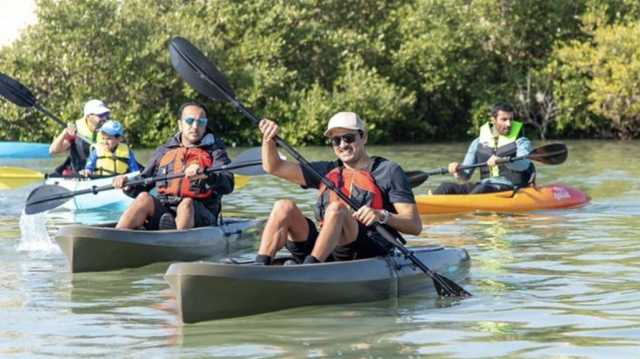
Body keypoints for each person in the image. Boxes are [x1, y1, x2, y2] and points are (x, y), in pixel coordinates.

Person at [254, 112, 422, 265]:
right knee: (283, 206)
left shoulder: (389, 171)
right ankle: (260, 265)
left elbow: (414, 226)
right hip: (327, 247)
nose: (342, 145)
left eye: (348, 138)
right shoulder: (326, 171)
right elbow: (274, 167)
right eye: (336, 141)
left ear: (363, 137)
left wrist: (382, 215)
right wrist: (268, 138)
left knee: (336, 209)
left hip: (366, 248)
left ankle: (311, 268)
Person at [113, 102, 234, 230]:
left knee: (187, 203)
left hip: (201, 214)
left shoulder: (216, 151)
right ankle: (116, 237)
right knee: (144, 198)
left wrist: (206, 175)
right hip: (166, 209)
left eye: (201, 122)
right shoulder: (164, 151)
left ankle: (174, 241)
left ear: (205, 125)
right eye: (190, 121)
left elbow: (228, 184)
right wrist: (127, 184)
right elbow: (144, 181)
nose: (195, 126)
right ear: (180, 124)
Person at [432, 102, 535, 195]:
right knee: (445, 187)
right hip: (484, 184)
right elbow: (465, 176)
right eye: (504, 119)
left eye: (511, 119)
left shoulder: (521, 142)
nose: (509, 124)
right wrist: (457, 171)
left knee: (483, 189)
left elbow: (524, 164)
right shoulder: (477, 143)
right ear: (493, 120)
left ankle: (467, 211)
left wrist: (503, 161)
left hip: (510, 187)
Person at [49, 99, 111, 176]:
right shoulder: (76, 131)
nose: (104, 118)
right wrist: (64, 134)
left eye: (106, 114)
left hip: (102, 174)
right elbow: (53, 151)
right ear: (89, 116)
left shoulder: (111, 130)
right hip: (79, 175)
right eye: (100, 115)